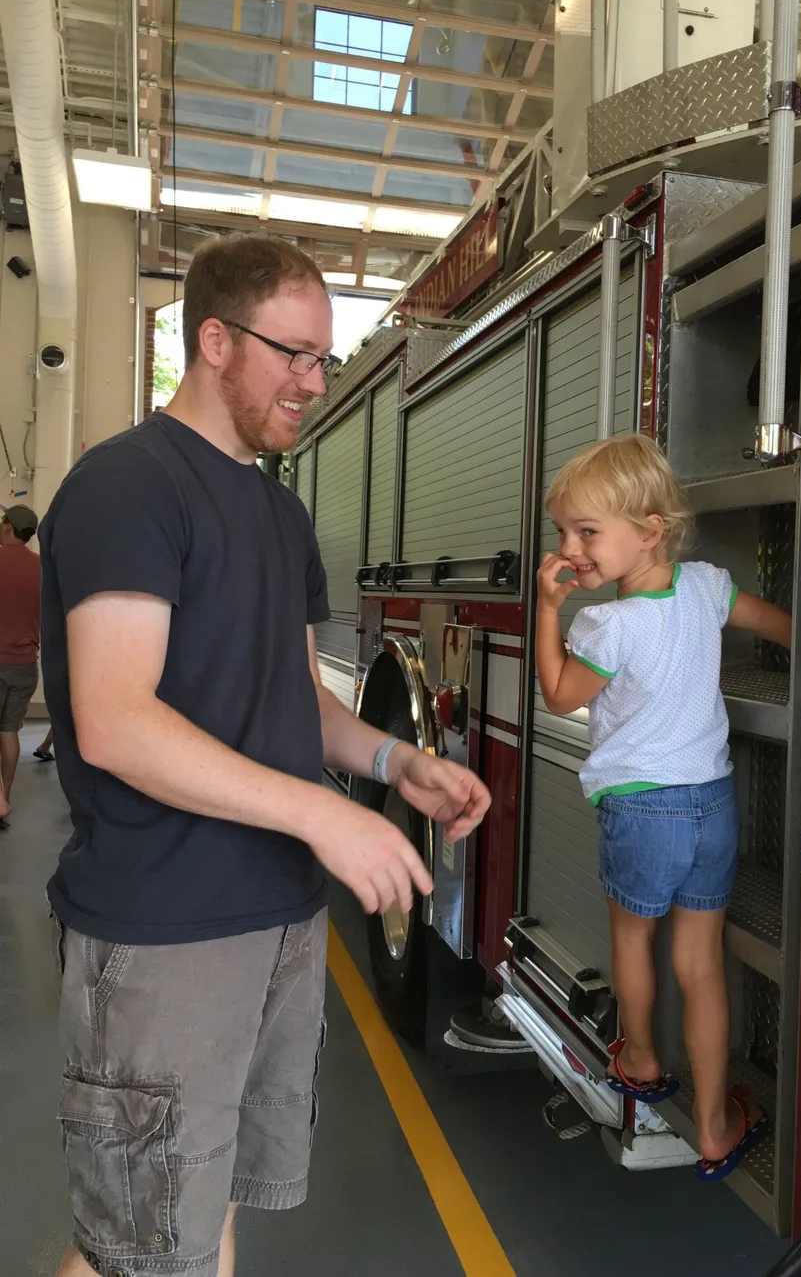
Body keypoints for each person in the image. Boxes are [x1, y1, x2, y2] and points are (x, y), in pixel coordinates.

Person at [40, 233, 491, 1277]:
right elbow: (113, 718)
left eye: (321, 359)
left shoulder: (280, 515)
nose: (312, 381)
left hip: (275, 925)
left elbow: (293, 702)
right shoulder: (128, 487)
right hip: (165, 936)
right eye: (291, 353)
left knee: (198, 1219)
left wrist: (389, 765)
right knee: (139, 1250)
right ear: (211, 340)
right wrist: (319, 814)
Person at [535, 434, 790, 1181]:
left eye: (587, 532)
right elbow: (779, 625)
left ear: (649, 529)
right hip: (712, 807)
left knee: (633, 943)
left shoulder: (608, 625)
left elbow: (558, 694)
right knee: (701, 963)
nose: (571, 548)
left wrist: (549, 608)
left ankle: (642, 1056)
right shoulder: (708, 587)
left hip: (642, 815)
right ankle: (714, 1126)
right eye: (564, 533)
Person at [0, 501, 41, 826]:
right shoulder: (41, 567)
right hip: (26, 664)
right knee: (9, 730)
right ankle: (6, 797)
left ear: (8, 527)